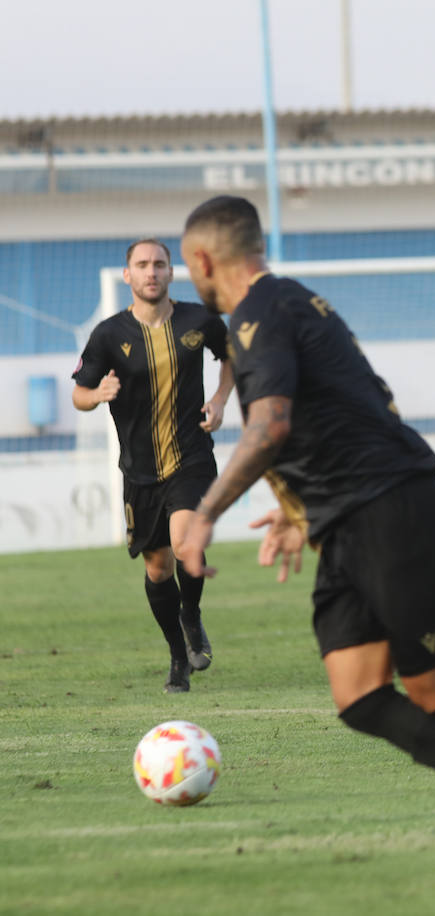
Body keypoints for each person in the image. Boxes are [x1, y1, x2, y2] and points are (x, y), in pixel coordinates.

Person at [175, 196, 435, 852]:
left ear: (201, 259)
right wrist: (298, 509)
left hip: (394, 512)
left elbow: (270, 425)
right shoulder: (296, 303)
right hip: (346, 524)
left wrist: (205, 514)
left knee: (431, 692)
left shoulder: (260, 313)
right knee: (360, 696)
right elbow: (352, 406)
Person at [71, 238, 234, 693]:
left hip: (192, 458)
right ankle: (178, 657)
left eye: (159, 264)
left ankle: (191, 615)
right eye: (142, 265)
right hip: (140, 471)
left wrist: (220, 399)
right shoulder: (108, 334)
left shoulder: (199, 320)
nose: (151, 272)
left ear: (170, 272)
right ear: (128, 275)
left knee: (186, 544)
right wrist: (97, 395)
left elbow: (233, 357)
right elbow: (79, 394)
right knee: (159, 569)